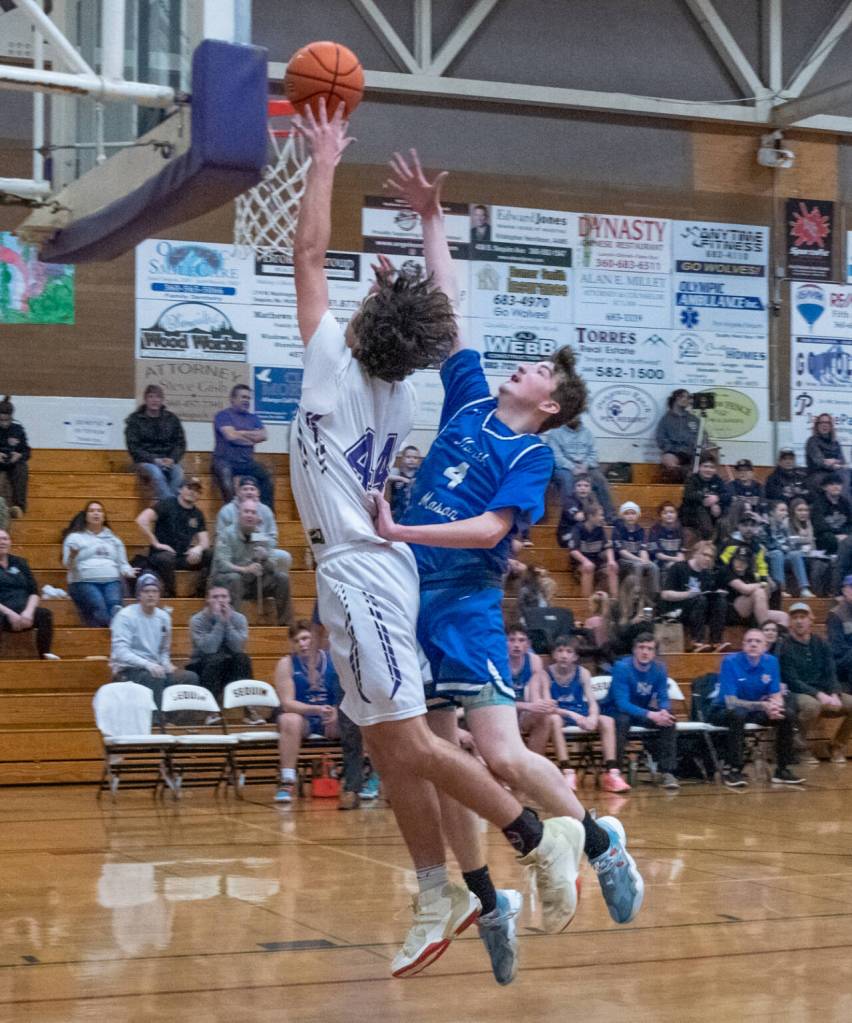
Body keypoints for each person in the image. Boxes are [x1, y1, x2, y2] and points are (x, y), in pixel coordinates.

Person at [289, 106, 628, 984]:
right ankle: (454, 884)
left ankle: (553, 837)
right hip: (393, 572)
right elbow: (442, 314)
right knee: (398, 746)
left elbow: (310, 260)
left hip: (392, 568)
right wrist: (432, 228)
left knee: (433, 746)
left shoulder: (338, 366)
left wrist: (322, 160)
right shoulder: (424, 396)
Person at [376, 145, 643, 964]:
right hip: (410, 597)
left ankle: (601, 840)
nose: (517, 366)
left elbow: (493, 534)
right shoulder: (467, 399)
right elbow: (448, 308)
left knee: (495, 751)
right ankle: (487, 898)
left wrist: (402, 532)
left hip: (460, 604)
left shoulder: (531, 457)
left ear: (549, 402)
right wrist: (429, 218)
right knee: (436, 755)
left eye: (532, 368)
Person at [708, 630, 800, 787]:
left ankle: (783, 769)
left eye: (758, 641)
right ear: (743, 645)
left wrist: (775, 707)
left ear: (765, 646)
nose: (753, 644)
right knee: (738, 714)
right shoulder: (730, 662)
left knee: (787, 714)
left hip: (755, 709)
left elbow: (775, 692)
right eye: (749, 641)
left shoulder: (771, 662)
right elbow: (731, 702)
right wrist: (763, 705)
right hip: (723, 710)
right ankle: (734, 770)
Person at [539, 636, 629, 793]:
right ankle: (567, 771)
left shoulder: (583, 673)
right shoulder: (546, 674)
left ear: (575, 656)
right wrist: (574, 716)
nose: (564, 655)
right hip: (560, 712)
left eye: (569, 651)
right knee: (553, 719)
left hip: (580, 710)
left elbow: (592, 702)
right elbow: (548, 706)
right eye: (560, 651)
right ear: (553, 655)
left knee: (607, 720)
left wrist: (593, 717)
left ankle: (612, 773)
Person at [599, 633, 679, 790]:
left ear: (654, 653)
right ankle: (615, 772)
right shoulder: (622, 667)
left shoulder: (659, 669)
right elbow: (622, 703)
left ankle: (666, 772)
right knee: (623, 721)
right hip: (614, 710)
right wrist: (651, 714)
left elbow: (663, 696)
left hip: (640, 710)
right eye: (641, 648)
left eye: (649, 649)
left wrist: (664, 711)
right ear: (634, 650)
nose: (645, 652)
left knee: (669, 721)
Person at [273, 619, 341, 804]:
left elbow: (346, 693)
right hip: (305, 717)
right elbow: (287, 703)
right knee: (289, 719)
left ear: (316, 639)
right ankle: (287, 780)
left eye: (305, 638)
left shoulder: (333, 659)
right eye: (296, 641)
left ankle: (366, 774)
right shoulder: (286, 664)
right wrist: (316, 709)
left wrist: (336, 712)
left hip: (331, 716)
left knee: (361, 718)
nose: (302, 644)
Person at [109, 573, 198, 709]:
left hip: (154, 668)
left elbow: (163, 650)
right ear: (139, 595)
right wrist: (147, 664)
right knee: (155, 678)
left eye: (154, 591)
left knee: (189, 678)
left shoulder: (164, 617)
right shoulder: (125, 616)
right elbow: (121, 652)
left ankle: (173, 723)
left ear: (159, 595)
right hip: (128, 670)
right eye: (146, 591)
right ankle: (155, 725)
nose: (151, 595)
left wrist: (166, 664)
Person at [780, 602, 852, 765]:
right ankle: (799, 748)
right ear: (790, 622)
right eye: (795, 617)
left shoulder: (821, 644)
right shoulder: (784, 646)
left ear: (811, 620)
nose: (799, 621)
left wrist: (834, 693)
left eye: (803, 617)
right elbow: (792, 680)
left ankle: (836, 745)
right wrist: (820, 695)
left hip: (824, 692)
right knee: (812, 706)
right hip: (796, 693)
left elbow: (831, 672)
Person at [212, 499, 292, 625]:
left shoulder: (260, 535)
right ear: (239, 514)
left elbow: (272, 565)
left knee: (281, 578)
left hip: (252, 583)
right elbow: (221, 564)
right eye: (246, 511)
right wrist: (245, 569)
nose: (250, 515)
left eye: (253, 512)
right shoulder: (226, 534)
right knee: (234, 578)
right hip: (228, 581)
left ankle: (285, 625)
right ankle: (235, 624)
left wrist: (265, 556)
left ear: (257, 517)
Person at [62, 501, 137, 627]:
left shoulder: (114, 539)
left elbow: (123, 564)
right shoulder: (74, 538)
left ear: (104, 517)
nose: (96, 513)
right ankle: (116, 627)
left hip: (112, 580)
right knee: (100, 608)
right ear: (86, 516)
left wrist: (128, 571)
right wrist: (72, 555)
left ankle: (115, 624)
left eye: (99, 511)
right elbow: (67, 565)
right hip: (83, 581)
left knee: (114, 605)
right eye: (91, 511)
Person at [135, 477, 211, 597]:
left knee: (210, 554)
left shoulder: (198, 514)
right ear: (180, 489)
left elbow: (205, 542)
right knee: (166, 558)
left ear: (199, 495)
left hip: (182, 557)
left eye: (196, 490)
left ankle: (200, 593)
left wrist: (198, 548)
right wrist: (156, 543)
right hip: (160, 555)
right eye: (189, 487)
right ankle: (171, 594)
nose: (192, 492)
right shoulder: (167, 504)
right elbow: (141, 520)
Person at [185, 584, 252, 705]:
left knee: (243, 658)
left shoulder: (239, 618)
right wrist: (221, 622)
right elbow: (209, 649)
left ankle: (247, 706)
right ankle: (212, 709)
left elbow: (238, 647)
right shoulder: (197, 620)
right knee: (215, 659)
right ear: (207, 600)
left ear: (229, 599)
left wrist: (227, 623)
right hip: (203, 663)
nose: (220, 600)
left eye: (224, 596)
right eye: (215, 597)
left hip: (229, 663)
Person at [212, 384, 274, 508]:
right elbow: (231, 436)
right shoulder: (223, 415)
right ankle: (232, 512)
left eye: (248, 398)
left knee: (267, 477)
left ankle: (267, 514)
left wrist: (240, 433)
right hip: (224, 461)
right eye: (243, 397)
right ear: (232, 399)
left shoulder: (253, 418)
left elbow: (263, 436)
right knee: (225, 475)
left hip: (246, 462)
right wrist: (251, 438)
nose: (246, 400)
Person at [659, 541, 727, 652]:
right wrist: (688, 594)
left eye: (711, 556)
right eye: (704, 555)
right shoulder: (679, 567)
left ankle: (716, 642)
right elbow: (665, 594)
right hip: (677, 610)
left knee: (720, 600)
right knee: (700, 599)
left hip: (698, 611)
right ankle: (697, 642)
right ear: (695, 554)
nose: (708, 559)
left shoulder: (707, 574)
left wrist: (717, 593)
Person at [543, 419, 615, 522]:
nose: (574, 418)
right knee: (567, 480)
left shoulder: (587, 433)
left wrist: (585, 465)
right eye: (571, 416)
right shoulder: (555, 433)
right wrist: (572, 467)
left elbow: (594, 454)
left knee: (600, 480)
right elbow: (556, 456)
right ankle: (572, 514)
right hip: (563, 468)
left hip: (585, 466)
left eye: (576, 415)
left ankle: (610, 516)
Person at [124, 383, 186, 501]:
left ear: (162, 400)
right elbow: (133, 447)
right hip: (144, 462)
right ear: (145, 399)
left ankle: (165, 505)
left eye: (158, 397)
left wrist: (172, 458)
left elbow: (180, 443)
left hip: (168, 460)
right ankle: (171, 508)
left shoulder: (172, 419)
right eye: (151, 397)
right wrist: (153, 460)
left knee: (179, 474)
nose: (154, 400)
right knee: (157, 473)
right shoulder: (135, 420)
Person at [0, 529, 56, 658]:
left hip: (24, 613)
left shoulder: (20, 562)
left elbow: (34, 591)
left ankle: (45, 656)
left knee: (45, 614)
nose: (2, 542)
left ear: (10, 542)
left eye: (5, 539)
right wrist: (9, 613)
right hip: (3, 610)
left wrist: (29, 612)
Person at [506, 623, 554, 753]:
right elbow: (497, 701)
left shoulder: (534, 661)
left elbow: (536, 692)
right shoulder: (498, 661)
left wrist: (543, 704)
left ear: (528, 645)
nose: (517, 645)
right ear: (504, 643)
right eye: (512, 640)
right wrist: (529, 706)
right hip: (502, 712)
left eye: (521, 640)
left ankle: (534, 762)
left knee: (544, 717)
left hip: (522, 713)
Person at [717, 545, 787, 629]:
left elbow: (767, 593)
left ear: (749, 563)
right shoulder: (726, 570)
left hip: (751, 611)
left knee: (783, 616)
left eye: (744, 561)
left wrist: (766, 583)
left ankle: (778, 639)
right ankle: (765, 630)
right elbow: (744, 589)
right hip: (730, 611)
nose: (740, 563)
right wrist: (763, 584)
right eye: (738, 559)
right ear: (732, 559)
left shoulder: (750, 575)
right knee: (759, 592)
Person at [655, 389, 712, 478]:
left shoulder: (693, 419)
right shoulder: (665, 420)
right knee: (667, 459)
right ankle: (685, 472)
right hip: (675, 453)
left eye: (689, 398)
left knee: (708, 454)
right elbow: (661, 439)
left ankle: (692, 472)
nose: (687, 400)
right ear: (676, 398)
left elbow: (703, 435)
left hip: (693, 452)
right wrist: (673, 449)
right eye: (684, 397)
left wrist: (702, 444)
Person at [762, 500, 814, 598]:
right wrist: (784, 548)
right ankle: (781, 589)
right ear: (772, 513)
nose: (785, 513)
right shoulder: (765, 526)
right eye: (781, 510)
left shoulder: (783, 525)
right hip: (768, 556)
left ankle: (804, 589)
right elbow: (766, 545)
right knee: (777, 553)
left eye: (786, 510)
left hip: (782, 554)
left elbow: (788, 544)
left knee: (796, 554)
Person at [568, 503, 618, 597]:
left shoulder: (599, 529)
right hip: (580, 564)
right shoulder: (578, 529)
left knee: (612, 568)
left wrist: (611, 560)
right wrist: (585, 561)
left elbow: (608, 547)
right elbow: (573, 550)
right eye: (600, 515)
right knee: (588, 568)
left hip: (597, 562)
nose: (602, 518)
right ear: (591, 516)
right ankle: (587, 604)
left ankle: (614, 601)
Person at [812, 473, 852, 589]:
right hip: (826, 540)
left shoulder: (845, 503)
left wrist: (845, 535)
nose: (836, 487)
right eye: (832, 484)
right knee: (827, 538)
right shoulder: (818, 504)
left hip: (845, 538)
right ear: (825, 487)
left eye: (838, 484)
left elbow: (850, 523)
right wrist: (838, 535)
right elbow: (820, 527)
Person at [611, 500, 659, 591]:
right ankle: (637, 593)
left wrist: (645, 560)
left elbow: (643, 549)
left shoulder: (641, 530)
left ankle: (655, 594)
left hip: (637, 560)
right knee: (638, 565)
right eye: (627, 513)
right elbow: (622, 552)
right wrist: (639, 560)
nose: (630, 516)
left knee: (654, 566)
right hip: (623, 561)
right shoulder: (618, 530)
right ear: (622, 515)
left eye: (633, 513)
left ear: (637, 515)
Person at [680, 456, 729, 539]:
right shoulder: (692, 479)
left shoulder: (717, 480)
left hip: (712, 514)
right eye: (705, 466)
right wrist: (706, 500)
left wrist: (716, 499)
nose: (708, 470)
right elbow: (688, 495)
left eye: (711, 467)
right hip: (691, 515)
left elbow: (727, 495)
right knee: (700, 508)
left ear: (715, 470)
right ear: (699, 467)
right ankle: (708, 536)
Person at [805, 412, 850, 495]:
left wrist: (831, 461)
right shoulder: (812, 441)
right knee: (836, 480)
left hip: (835, 473)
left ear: (831, 426)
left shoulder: (835, 443)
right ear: (817, 425)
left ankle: (844, 504)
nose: (824, 425)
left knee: (846, 473)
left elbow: (842, 461)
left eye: (827, 423)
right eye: (821, 422)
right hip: (817, 475)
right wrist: (834, 464)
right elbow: (819, 462)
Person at [0, 395, 30, 517]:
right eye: (1, 420)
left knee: (22, 468)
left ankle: (18, 507)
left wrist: (19, 455)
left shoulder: (18, 429)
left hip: (13, 463)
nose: (4, 423)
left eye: (7, 420)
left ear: (11, 417)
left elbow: (27, 451)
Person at [827, 575, 852, 693]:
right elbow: (837, 648)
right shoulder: (836, 614)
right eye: (851, 587)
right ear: (844, 591)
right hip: (842, 663)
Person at [647, 501, 685, 571]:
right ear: (660, 516)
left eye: (672, 512)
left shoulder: (680, 529)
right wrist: (675, 560)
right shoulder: (655, 530)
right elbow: (658, 555)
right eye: (665, 513)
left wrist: (679, 559)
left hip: (674, 561)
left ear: (676, 514)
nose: (669, 515)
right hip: (658, 562)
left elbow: (680, 551)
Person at [388, 445, 421, 521]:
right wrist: (402, 479)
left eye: (415, 458)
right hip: (396, 510)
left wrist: (409, 483)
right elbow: (384, 476)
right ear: (402, 458)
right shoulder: (397, 471)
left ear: (419, 460)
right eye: (408, 457)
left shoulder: (420, 473)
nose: (412, 460)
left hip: (413, 510)